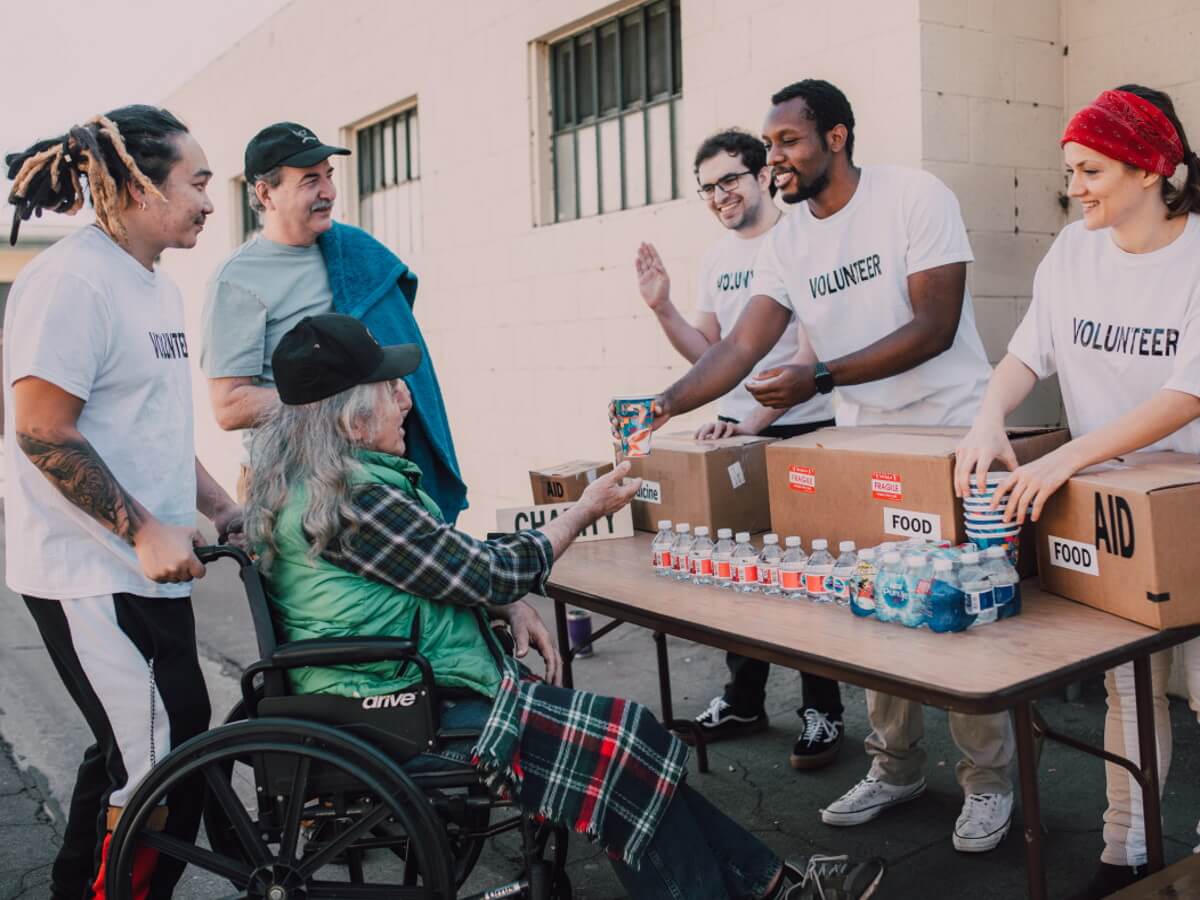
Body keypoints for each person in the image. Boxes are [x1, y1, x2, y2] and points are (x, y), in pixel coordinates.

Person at [244, 312, 888, 900]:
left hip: (392, 691)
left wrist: (503, 605)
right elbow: (484, 570)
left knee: (630, 745)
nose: (407, 398)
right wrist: (579, 514)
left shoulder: (315, 485)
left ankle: (773, 886)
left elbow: (436, 572)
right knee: (623, 749)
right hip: (403, 711)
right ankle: (766, 888)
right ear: (350, 419)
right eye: (389, 390)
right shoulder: (355, 501)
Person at [643, 79, 1014, 853]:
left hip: (948, 429)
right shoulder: (788, 242)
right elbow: (740, 349)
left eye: (787, 142)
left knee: (961, 616)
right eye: (769, 144)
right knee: (875, 608)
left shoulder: (914, 196)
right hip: (861, 441)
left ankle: (989, 784)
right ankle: (895, 765)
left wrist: (820, 376)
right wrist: (664, 403)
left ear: (836, 138)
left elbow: (937, 325)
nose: (772, 158)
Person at [955, 84, 1200, 899]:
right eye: (1071, 171)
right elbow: (1030, 353)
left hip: (1190, 506)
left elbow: (1186, 396)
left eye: (1091, 170)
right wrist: (992, 414)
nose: (1076, 188)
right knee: (1126, 679)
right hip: (1116, 508)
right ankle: (1126, 850)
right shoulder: (1072, 251)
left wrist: (1065, 460)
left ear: (1153, 167)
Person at [3, 106, 242, 900]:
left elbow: (152, 429)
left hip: (147, 569)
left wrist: (220, 507)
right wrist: (142, 531)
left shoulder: (154, 287)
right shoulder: (69, 282)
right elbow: (42, 432)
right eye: (197, 181)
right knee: (158, 762)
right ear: (138, 184)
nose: (211, 200)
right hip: (88, 573)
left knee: (145, 744)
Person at [635, 127, 841, 765]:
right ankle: (744, 700)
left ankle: (822, 711)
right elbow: (713, 355)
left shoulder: (801, 241)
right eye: (707, 188)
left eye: (729, 180)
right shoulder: (718, 260)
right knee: (739, 575)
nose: (719, 195)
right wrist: (663, 308)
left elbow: (811, 352)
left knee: (807, 577)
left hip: (802, 431)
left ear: (761, 176)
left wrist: (747, 424)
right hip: (736, 434)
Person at [201, 121, 467, 522]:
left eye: (328, 176)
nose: (328, 192)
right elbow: (228, 407)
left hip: (372, 476)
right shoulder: (238, 280)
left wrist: (387, 392)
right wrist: (342, 398)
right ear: (265, 193)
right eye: (310, 180)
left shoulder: (354, 252)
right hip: (289, 483)